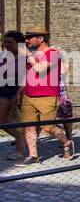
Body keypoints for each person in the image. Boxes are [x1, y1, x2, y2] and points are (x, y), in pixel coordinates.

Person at [16, 30, 73, 164]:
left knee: (48, 127)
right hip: (29, 95)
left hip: (47, 95)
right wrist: (20, 91)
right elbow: (28, 73)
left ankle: (66, 142)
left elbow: (41, 70)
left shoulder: (53, 53)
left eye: (30, 38)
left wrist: (29, 55)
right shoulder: (33, 54)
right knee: (28, 126)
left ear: (40, 38)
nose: (27, 41)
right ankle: (33, 155)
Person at [0, 31, 24, 155]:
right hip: (3, 90)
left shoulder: (25, 57)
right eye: (5, 42)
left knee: (20, 122)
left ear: (18, 43)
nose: (6, 44)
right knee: (2, 122)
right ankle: (20, 138)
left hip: (17, 91)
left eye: (10, 42)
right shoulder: (3, 55)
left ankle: (19, 151)